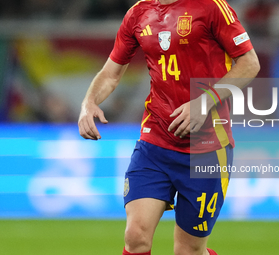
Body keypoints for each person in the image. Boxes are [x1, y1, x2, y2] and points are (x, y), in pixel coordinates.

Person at [78, 0, 260, 254]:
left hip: (207, 146)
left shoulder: (211, 7)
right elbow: (111, 73)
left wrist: (205, 101)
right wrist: (89, 103)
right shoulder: (138, 14)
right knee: (135, 235)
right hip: (155, 141)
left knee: (188, 250)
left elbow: (250, 63)